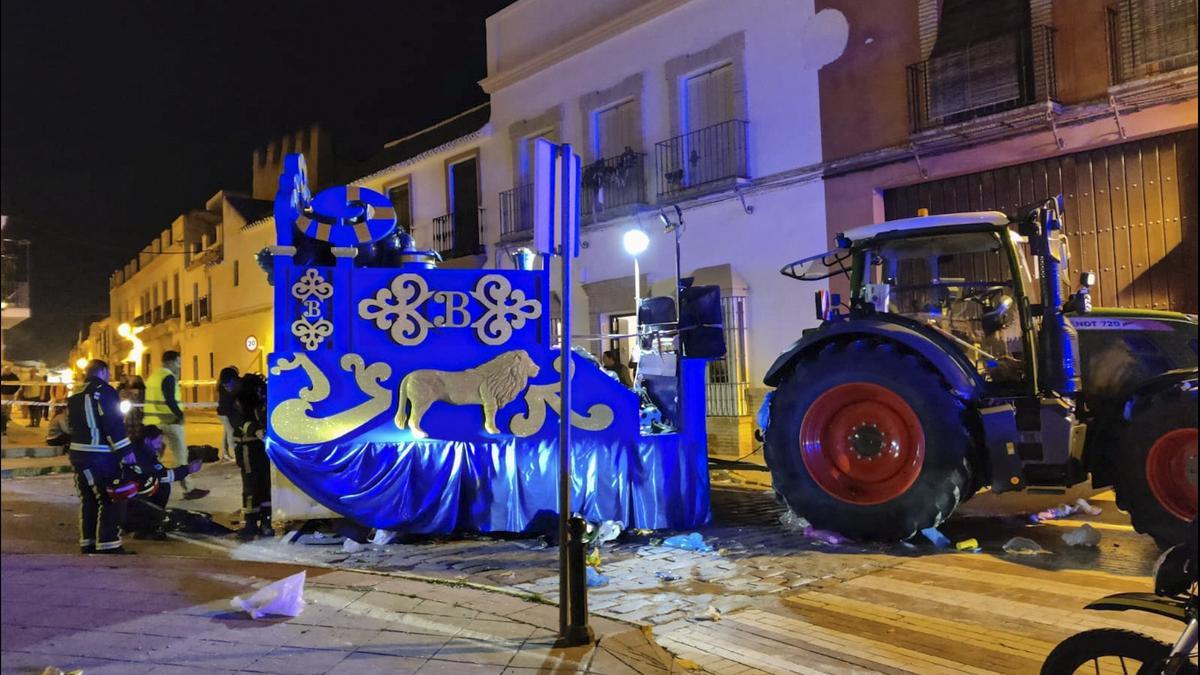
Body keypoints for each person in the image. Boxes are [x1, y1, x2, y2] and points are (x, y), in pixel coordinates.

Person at [67, 359, 135, 554]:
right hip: (99, 454)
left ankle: (88, 542)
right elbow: (113, 423)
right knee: (109, 497)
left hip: (79, 453)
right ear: (104, 371)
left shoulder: (76, 393)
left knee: (89, 499)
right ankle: (108, 543)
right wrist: (125, 450)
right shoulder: (105, 391)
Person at [144, 351, 207, 499]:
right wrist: (180, 415)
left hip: (153, 423)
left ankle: (146, 484)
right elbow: (170, 400)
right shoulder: (168, 377)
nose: (179, 366)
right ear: (170, 362)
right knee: (181, 455)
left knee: (153, 457)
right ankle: (189, 489)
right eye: (178, 362)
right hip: (170, 422)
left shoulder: (153, 376)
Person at [123, 425, 204, 540]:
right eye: (158, 441)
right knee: (161, 486)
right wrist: (188, 469)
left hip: (129, 497)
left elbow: (160, 472)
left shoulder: (142, 451)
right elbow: (162, 476)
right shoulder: (140, 455)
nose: (160, 445)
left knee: (158, 485)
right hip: (130, 499)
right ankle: (144, 526)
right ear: (147, 440)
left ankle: (143, 523)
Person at [234, 373, 273, 540]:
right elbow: (242, 421)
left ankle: (261, 523)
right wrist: (256, 430)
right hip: (249, 450)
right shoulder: (243, 402)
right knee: (253, 486)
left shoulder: (259, 401)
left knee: (261, 486)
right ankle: (255, 523)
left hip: (259, 450)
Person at [216, 366, 240, 462]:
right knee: (231, 433)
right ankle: (235, 454)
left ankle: (225, 453)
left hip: (222, 412)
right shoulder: (227, 385)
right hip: (226, 412)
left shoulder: (220, 384)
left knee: (226, 433)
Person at [1, 364, 19, 434]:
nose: (7, 371)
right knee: (3, 409)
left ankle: (7, 418)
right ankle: (4, 421)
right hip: (2, 394)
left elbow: (17, 385)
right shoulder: (2, 375)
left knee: (8, 408)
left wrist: (12, 391)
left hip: (10, 394)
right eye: (6, 369)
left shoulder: (14, 376)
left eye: (8, 369)